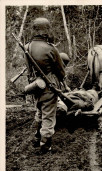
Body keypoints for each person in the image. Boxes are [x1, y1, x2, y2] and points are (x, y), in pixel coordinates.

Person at [24, 17, 70, 154]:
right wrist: (65, 85)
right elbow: (61, 71)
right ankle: (45, 146)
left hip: (35, 86)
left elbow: (29, 70)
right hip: (49, 87)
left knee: (39, 110)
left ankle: (37, 136)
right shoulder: (50, 48)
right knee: (49, 116)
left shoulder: (27, 47)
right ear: (45, 30)